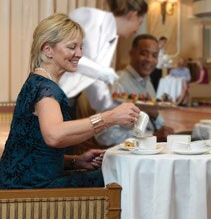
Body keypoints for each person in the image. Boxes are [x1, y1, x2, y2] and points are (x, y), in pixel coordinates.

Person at [0, 13, 141, 189]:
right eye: (72, 47)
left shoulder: (35, 82)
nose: (80, 54)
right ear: (48, 50)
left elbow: (33, 151)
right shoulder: (46, 89)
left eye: (81, 47)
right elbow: (54, 135)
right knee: (123, 176)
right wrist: (110, 118)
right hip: (32, 190)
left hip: (15, 184)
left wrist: (75, 161)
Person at [59, 0, 148, 113]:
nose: (136, 30)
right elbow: (69, 56)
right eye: (139, 23)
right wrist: (100, 71)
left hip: (67, 99)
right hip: (51, 94)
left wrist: (114, 110)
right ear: (132, 16)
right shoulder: (90, 18)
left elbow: (96, 86)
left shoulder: (112, 36)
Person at [96, 34, 174, 145]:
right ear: (131, 53)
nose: (149, 60)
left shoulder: (148, 84)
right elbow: (104, 136)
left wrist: (156, 117)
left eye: (155, 55)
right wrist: (151, 137)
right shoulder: (117, 84)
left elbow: (153, 122)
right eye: (144, 53)